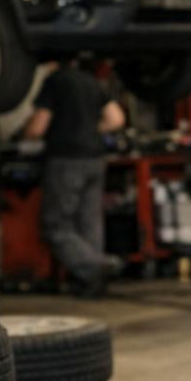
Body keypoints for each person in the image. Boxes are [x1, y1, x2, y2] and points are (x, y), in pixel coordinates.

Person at [21, 57, 126, 296]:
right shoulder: (93, 81)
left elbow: (37, 128)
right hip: (95, 159)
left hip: (66, 159)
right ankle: (93, 283)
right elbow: (117, 119)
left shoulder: (55, 81)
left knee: (55, 226)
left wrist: (24, 135)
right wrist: (90, 131)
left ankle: (97, 266)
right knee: (90, 223)